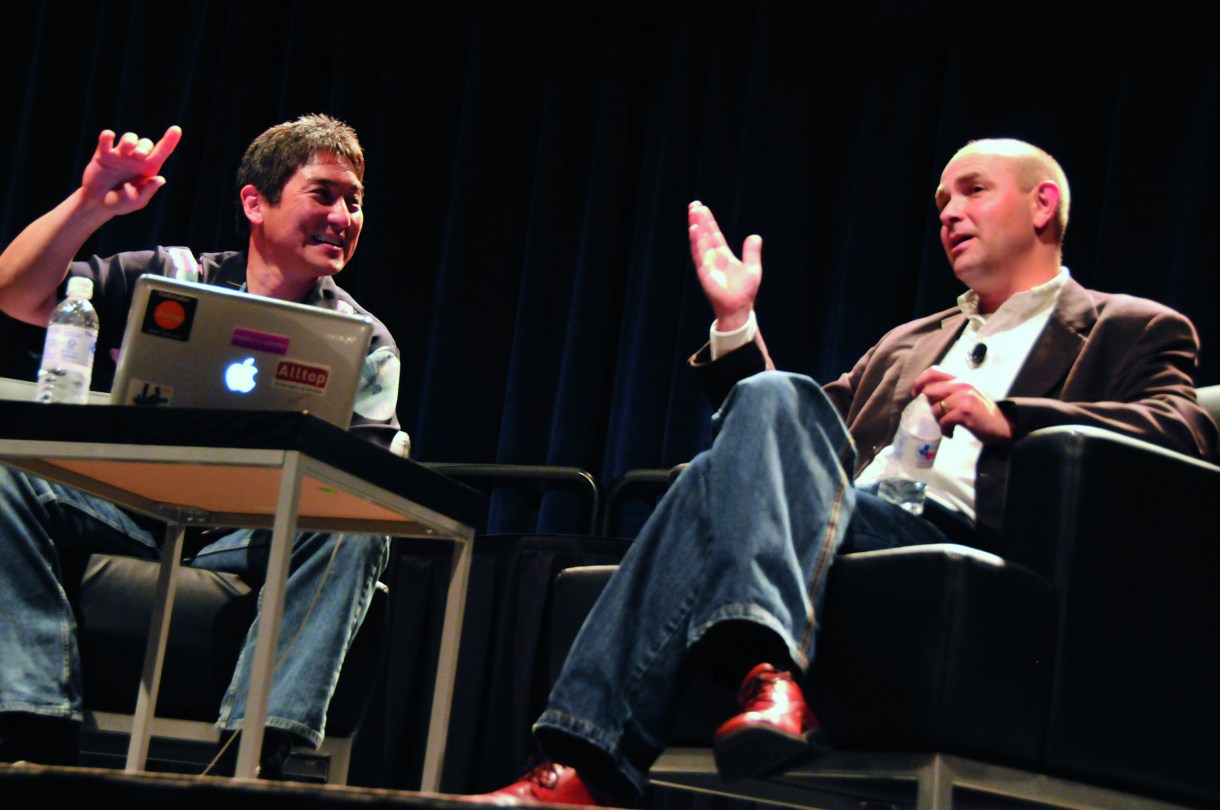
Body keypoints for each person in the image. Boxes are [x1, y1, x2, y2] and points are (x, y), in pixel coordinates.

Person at [468, 138, 1218, 806]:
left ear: (1043, 204)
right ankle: (768, 679)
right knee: (756, 418)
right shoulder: (906, 343)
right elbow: (781, 432)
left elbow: (1183, 427)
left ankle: (580, 768)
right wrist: (737, 326)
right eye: (941, 201)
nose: (949, 211)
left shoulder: (1131, 328)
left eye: (972, 190)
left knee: (704, 483)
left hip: (966, 537)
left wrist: (1012, 419)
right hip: (846, 517)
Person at [0, 114, 409, 777]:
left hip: (251, 535)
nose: (344, 216)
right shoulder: (171, 276)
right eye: (324, 194)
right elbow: (17, 293)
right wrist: (89, 203)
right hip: (130, 511)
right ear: (256, 202)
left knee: (354, 524)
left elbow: (359, 490)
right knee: (6, 473)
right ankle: (30, 721)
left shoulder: (364, 341)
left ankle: (254, 750)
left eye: (354, 202)